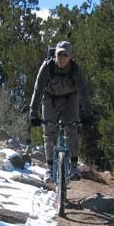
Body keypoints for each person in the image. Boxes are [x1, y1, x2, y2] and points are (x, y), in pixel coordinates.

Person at [29, 41, 92, 183]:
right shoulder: (47, 67)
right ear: (55, 54)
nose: (62, 58)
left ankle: (74, 166)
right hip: (50, 99)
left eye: (65, 55)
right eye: (59, 54)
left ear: (70, 56)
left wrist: (88, 114)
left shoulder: (75, 69)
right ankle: (50, 169)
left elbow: (83, 92)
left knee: (72, 129)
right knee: (49, 132)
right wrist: (33, 113)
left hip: (70, 99)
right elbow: (38, 90)